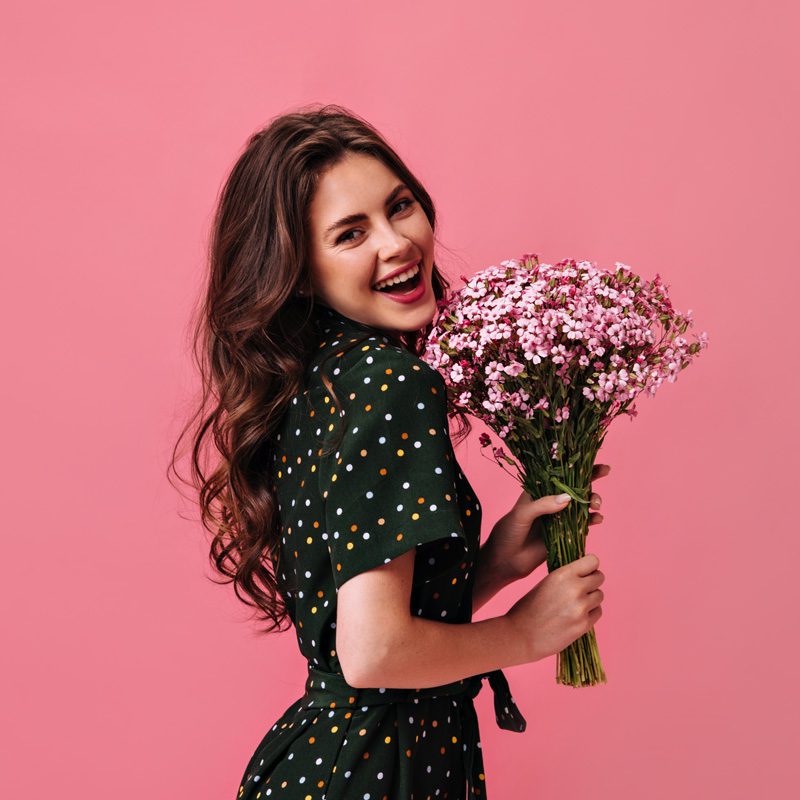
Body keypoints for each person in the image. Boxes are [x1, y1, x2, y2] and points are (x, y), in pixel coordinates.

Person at [170, 104, 608, 799]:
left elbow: (369, 623)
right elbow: (373, 654)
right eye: (351, 234)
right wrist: (523, 635)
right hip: (379, 771)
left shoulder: (325, 378)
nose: (398, 242)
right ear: (301, 270)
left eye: (400, 207)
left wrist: (491, 562)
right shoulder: (390, 382)